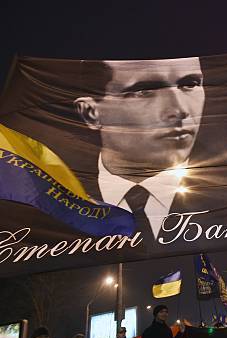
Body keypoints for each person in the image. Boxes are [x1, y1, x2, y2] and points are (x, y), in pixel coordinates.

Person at [74, 58, 205, 243]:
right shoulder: (53, 198)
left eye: (189, 84)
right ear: (91, 113)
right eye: (144, 91)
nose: (179, 110)